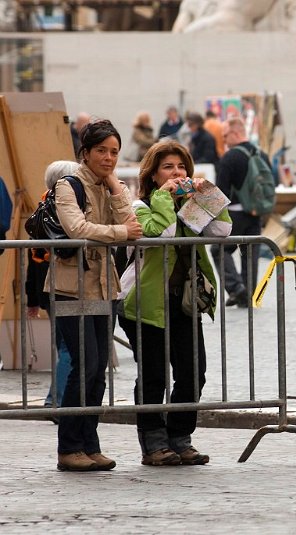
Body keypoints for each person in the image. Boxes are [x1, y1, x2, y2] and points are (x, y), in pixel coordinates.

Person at [118, 140, 231, 467]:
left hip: (184, 301)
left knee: (194, 372)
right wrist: (165, 197)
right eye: (168, 167)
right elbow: (163, 232)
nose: (176, 173)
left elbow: (223, 230)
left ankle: (180, 437)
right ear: (153, 174)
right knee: (153, 374)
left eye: (181, 167)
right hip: (145, 303)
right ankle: (153, 443)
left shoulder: (189, 207)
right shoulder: (140, 206)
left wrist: (207, 193)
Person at [48, 119, 143, 471]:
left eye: (114, 152)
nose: (108, 158)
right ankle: (68, 447)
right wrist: (119, 231)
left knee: (98, 369)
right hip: (70, 288)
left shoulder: (108, 185)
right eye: (101, 151)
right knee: (83, 365)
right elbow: (78, 228)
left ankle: (89, 443)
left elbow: (135, 226)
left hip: (105, 286)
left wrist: (117, 187)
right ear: (84, 153)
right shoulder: (68, 185)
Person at [25, 160, 80, 412]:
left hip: (47, 290)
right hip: (63, 286)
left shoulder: (41, 208)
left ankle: (60, 399)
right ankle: (57, 400)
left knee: (64, 345)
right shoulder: (64, 211)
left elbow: (31, 259)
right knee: (70, 346)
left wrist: (33, 298)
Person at [211, 116, 270, 307]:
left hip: (234, 213)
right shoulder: (261, 154)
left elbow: (221, 191)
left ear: (236, 132)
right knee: (250, 253)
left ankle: (237, 288)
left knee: (219, 250)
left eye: (226, 135)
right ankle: (249, 294)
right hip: (255, 212)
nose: (224, 140)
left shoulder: (230, 157)